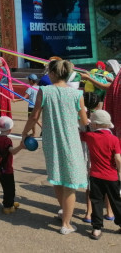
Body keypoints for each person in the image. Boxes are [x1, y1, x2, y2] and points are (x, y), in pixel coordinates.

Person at [21, 59, 88, 235]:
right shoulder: (77, 94)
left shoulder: (44, 91)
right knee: (70, 183)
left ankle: (64, 214)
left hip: (51, 141)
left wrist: (24, 132)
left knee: (57, 177)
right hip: (71, 141)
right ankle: (66, 223)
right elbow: (84, 121)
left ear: (52, 73)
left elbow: (34, 116)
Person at [79, 110, 121, 239]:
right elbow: (118, 158)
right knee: (116, 201)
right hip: (112, 176)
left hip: (95, 175)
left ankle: (96, 228)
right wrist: (120, 172)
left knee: (96, 201)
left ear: (96, 124)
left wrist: (84, 120)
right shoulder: (114, 139)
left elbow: (80, 134)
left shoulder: (91, 137)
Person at [0, 116, 24, 214]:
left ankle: (9, 202)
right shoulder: (7, 141)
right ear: (10, 130)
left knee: (5, 186)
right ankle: (8, 206)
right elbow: (12, 151)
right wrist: (21, 146)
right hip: (7, 168)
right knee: (10, 188)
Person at [0, 57, 13, 121]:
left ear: (2, 63)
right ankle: (6, 119)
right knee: (5, 105)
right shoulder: (5, 69)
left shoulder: (0, 69)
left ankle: (1, 120)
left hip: (1, 89)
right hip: (5, 88)